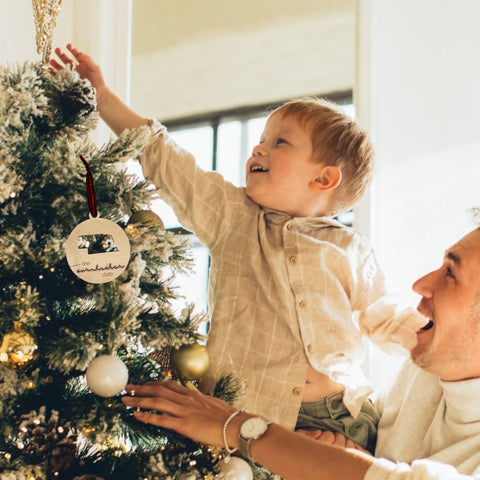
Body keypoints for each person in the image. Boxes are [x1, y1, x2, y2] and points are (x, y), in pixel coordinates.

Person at [50, 45, 426, 453]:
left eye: (279, 142)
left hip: (338, 416)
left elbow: (387, 319)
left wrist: (444, 341)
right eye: (261, 139)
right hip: (245, 412)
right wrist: (102, 96)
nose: (257, 149)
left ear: (323, 179)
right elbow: (168, 160)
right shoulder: (234, 218)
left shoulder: (349, 248)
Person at [122, 225, 480, 479]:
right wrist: (350, 454)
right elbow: (381, 463)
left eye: (450, 273)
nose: (421, 285)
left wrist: (234, 426)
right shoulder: (427, 368)